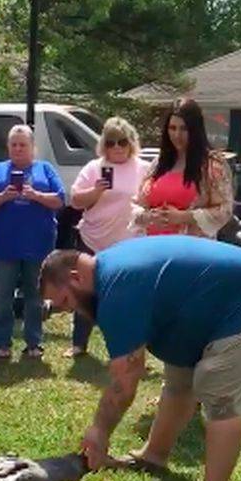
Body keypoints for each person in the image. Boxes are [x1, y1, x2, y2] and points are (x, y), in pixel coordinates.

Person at [40, 236, 241, 481]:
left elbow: (126, 380)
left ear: (76, 277)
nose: (70, 310)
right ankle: (154, 456)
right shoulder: (109, 274)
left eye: (66, 301)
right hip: (202, 305)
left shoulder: (117, 288)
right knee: (179, 385)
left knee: (221, 400)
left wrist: (99, 431)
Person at [67, 116, 150, 357]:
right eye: (111, 142)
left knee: (129, 296)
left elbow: (151, 197)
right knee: (86, 291)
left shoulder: (143, 168)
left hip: (130, 241)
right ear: (104, 144)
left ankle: (130, 348)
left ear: (131, 143)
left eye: (122, 142)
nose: (117, 148)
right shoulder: (94, 168)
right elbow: (74, 200)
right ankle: (78, 344)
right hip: (94, 238)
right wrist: (95, 191)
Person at [0, 124, 65, 359]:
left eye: (23, 145)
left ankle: (34, 343)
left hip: (38, 245)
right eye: (14, 144)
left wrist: (35, 195)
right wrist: (3, 196)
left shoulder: (45, 169)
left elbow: (60, 200)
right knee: (3, 297)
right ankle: (1, 343)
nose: (18, 149)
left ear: (32, 148)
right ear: (8, 147)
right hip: (4, 245)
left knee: (35, 297)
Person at [131, 97, 233, 238]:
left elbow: (224, 211)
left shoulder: (212, 165)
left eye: (184, 129)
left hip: (192, 250)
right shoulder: (158, 163)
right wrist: (150, 216)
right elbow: (137, 205)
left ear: (195, 130)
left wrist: (184, 217)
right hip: (154, 248)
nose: (177, 135)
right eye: (172, 128)